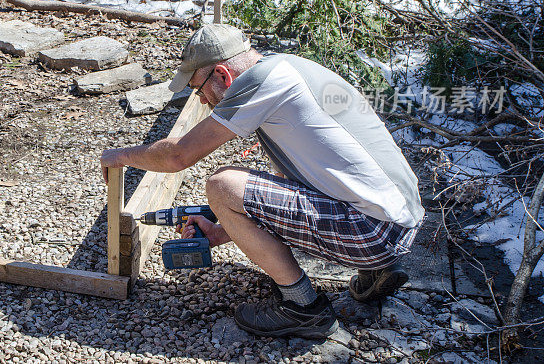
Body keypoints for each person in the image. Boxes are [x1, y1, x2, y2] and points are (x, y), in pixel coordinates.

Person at [100, 24, 424, 339]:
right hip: (397, 219)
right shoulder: (286, 68)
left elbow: (178, 156)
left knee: (222, 185)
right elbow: (290, 191)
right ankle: (378, 268)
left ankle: (304, 308)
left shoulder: (257, 84)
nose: (200, 100)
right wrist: (224, 230)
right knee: (246, 189)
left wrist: (121, 156)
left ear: (223, 75)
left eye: (198, 90)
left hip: (375, 230)